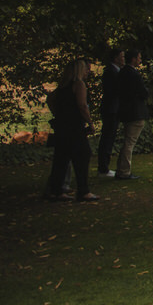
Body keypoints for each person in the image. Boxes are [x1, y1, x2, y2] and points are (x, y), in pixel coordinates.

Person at [45, 59, 100, 202]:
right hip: (74, 127)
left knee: (61, 158)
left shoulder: (63, 86)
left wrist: (58, 113)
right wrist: (90, 122)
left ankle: (56, 190)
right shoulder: (79, 84)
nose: (88, 71)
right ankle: (83, 191)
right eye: (86, 69)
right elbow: (82, 105)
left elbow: (50, 99)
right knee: (82, 155)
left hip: (62, 126)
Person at [115, 49, 149, 181]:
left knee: (128, 140)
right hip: (135, 111)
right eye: (139, 58)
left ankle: (121, 168)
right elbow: (143, 92)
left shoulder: (122, 73)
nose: (140, 60)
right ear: (134, 59)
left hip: (126, 111)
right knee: (130, 142)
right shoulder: (133, 74)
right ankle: (124, 170)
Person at [96, 48, 124, 178]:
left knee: (109, 137)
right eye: (122, 56)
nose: (124, 59)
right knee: (107, 137)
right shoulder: (111, 72)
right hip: (111, 109)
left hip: (113, 108)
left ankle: (104, 166)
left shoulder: (114, 71)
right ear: (116, 58)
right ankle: (103, 168)